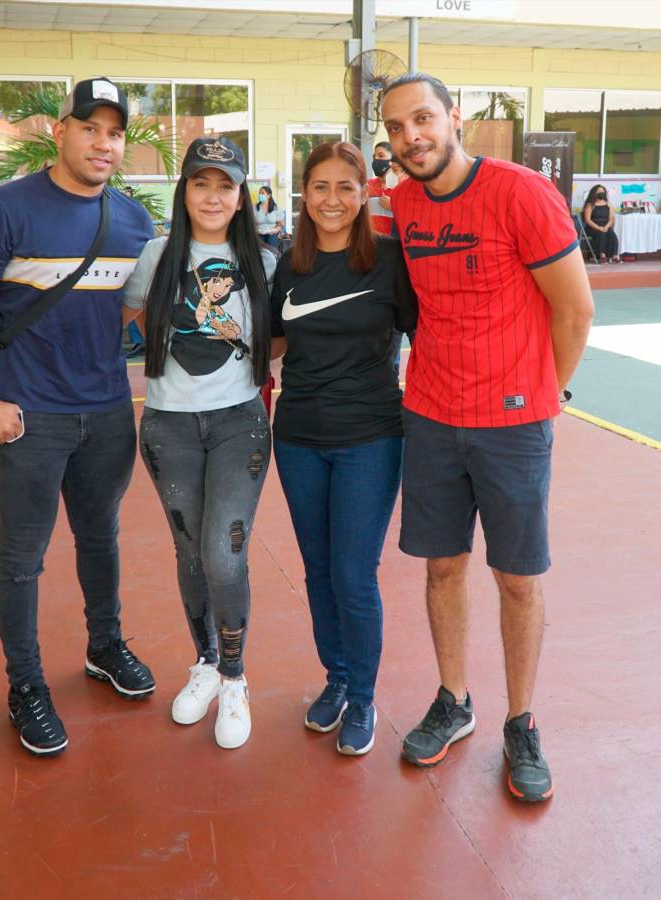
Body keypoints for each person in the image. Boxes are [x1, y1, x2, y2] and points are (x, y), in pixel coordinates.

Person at [381, 72, 593, 801]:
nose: (411, 137)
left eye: (422, 119)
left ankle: (521, 721)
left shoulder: (520, 193)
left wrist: (542, 395)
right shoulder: (403, 205)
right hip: (432, 417)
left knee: (516, 581)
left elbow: (574, 310)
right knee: (441, 570)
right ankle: (453, 699)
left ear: (453, 117)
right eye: (397, 128)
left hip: (512, 423)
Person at [0, 77, 156, 758]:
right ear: (57, 131)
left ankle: (103, 645)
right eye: (89, 127)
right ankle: (26, 685)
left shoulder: (132, 222)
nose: (103, 142)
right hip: (27, 416)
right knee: (22, 559)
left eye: (115, 132)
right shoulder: (3, 209)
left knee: (101, 538)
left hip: (108, 410)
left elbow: (124, 314)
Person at [123, 136, 275, 750]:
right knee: (189, 554)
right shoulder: (158, 255)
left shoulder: (263, 262)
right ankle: (207, 665)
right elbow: (129, 315)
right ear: (183, 191)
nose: (213, 196)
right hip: (168, 427)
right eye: (201, 183)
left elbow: (277, 339)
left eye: (226, 185)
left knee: (223, 554)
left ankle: (236, 678)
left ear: (241, 197)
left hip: (239, 423)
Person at [270, 141, 416, 756]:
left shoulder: (389, 260)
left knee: (354, 575)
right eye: (321, 186)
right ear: (306, 193)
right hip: (299, 437)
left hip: (370, 436)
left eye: (345, 187)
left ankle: (362, 697)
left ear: (364, 194)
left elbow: (428, 334)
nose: (332, 199)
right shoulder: (288, 264)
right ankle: (335, 680)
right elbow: (272, 345)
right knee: (319, 572)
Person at [582, 184, 620, 263]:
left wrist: (606, 227)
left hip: (605, 226)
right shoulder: (590, 205)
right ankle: (602, 255)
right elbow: (588, 220)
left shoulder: (608, 204)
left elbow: (611, 219)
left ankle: (614, 255)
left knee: (612, 234)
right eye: (599, 191)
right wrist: (599, 227)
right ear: (594, 193)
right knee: (601, 233)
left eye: (602, 191)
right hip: (592, 227)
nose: (601, 193)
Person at [254, 185, 283, 249]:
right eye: (259, 193)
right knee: (260, 253)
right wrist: (257, 231)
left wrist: (275, 230)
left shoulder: (276, 208)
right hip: (259, 234)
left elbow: (281, 224)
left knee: (272, 252)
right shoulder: (255, 207)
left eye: (262, 193)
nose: (260, 195)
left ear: (269, 195)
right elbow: (251, 222)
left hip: (272, 234)